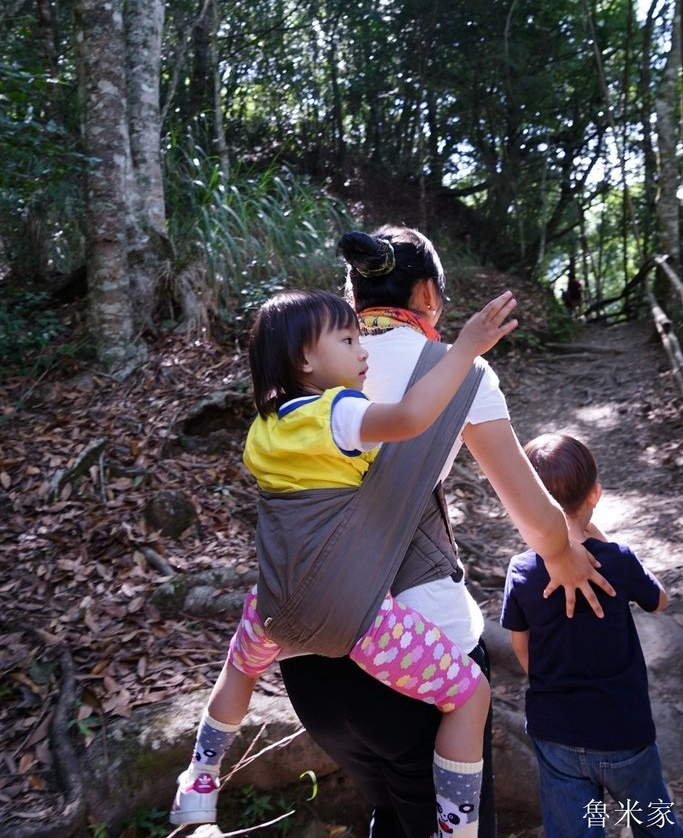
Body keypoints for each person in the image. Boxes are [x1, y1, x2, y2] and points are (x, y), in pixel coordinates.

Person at [278, 225, 614, 838]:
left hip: (306, 659)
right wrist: (563, 556)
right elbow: (534, 514)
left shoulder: (304, 363)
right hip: (417, 661)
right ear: (427, 293)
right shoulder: (455, 369)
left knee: (392, 814)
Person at [171, 285, 518, 834]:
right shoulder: (338, 411)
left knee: (240, 668)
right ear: (306, 358)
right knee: (470, 692)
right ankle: (458, 826)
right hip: (354, 612)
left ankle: (199, 782)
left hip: (276, 606)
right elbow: (410, 417)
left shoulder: (262, 429)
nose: (363, 352)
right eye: (348, 338)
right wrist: (466, 348)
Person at [500, 432, 682, 838]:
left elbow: (518, 643)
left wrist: (546, 682)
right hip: (624, 731)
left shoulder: (522, 571)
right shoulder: (618, 559)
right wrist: (595, 532)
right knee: (655, 824)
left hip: (556, 734)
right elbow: (661, 602)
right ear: (595, 494)